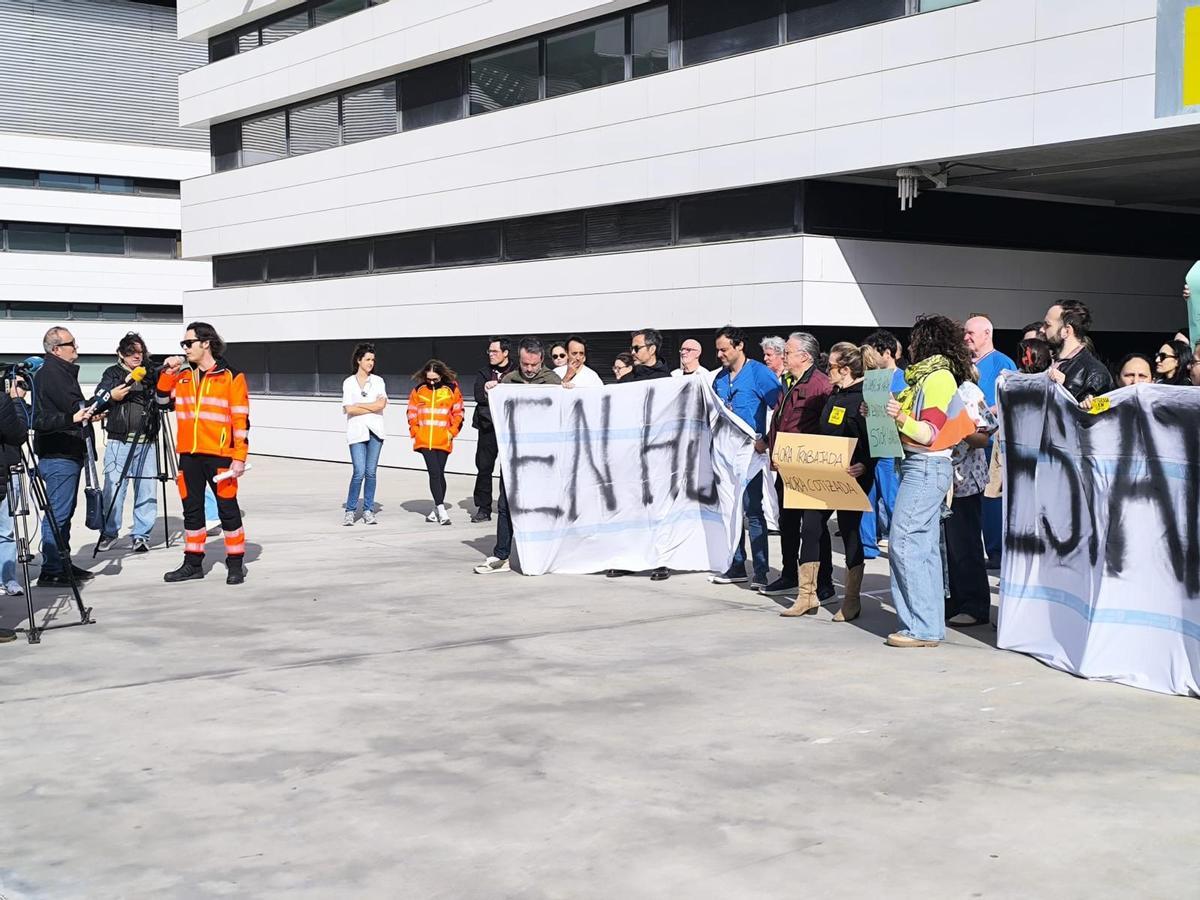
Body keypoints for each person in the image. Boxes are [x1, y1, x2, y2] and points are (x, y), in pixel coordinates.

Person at [882, 314, 974, 648]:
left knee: (904, 543)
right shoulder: (930, 377)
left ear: (924, 341)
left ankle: (920, 628)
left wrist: (899, 416)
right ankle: (929, 625)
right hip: (924, 468)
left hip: (924, 467)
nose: (908, 346)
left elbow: (929, 433)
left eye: (912, 340)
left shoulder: (935, 379)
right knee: (923, 548)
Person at [787, 342, 879, 622]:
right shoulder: (834, 395)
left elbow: (876, 440)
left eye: (831, 367)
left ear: (845, 369)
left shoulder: (866, 398)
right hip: (826, 475)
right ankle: (807, 595)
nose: (827, 371)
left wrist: (866, 464)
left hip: (854, 476)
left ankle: (851, 600)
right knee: (811, 526)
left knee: (850, 531)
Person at [156, 322, 250, 585]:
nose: (184, 349)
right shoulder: (183, 375)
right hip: (189, 454)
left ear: (205, 343)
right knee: (192, 511)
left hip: (220, 454)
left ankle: (235, 563)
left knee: (228, 510)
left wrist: (239, 456)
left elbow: (241, 419)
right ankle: (192, 563)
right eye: (183, 345)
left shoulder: (231, 375)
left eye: (188, 343)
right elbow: (162, 402)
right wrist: (168, 372)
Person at [474, 338, 561, 574]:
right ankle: (501, 553)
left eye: (534, 365)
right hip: (513, 456)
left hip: (544, 458)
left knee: (543, 505)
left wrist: (568, 392)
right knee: (505, 503)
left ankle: (546, 552)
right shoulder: (509, 381)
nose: (530, 369)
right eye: (525, 364)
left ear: (541, 360)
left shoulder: (553, 382)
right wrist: (493, 390)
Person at [759, 332, 831, 601]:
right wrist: (770, 444)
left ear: (805, 356)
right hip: (785, 467)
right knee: (787, 523)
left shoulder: (819, 385)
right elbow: (781, 420)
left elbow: (826, 428)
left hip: (808, 468)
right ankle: (790, 573)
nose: (783, 356)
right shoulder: (788, 382)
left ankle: (823, 582)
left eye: (788, 352)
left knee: (813, 527)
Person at [710, 325, 782, 589]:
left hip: (750, 453)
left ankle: (761, 570)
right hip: (724, 454)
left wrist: (766, 441)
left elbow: (781, 408)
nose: (719, 354)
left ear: (739, 346)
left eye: (724, 349)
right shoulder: (718, 379)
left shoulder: (759, 374)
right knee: (730, 510)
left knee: (753, 511)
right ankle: (736, 563)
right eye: (717, 349)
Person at [32, 327, 96, 588]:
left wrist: (89, 413)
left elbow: (73, 410)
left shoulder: (61, 372)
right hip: (58, 454)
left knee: (64, 513)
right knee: (57, 513)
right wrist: (74, 417)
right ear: (56, 349)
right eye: (71, 343)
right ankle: (52, 568)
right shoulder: (51, 374)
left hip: (69, 450)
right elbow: (42, 418)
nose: (76, 347)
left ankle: (62, 562)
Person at [94, 332, 157, 553]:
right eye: (131, 352)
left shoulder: (149, 374)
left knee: (147, 489)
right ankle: (109, 532)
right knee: (114, 488)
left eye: (140, 352)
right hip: (119, 441)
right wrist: (114, 394)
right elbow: (100, 396)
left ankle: (141, 534)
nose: (137, 357)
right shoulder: (112, 373)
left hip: (147, 441)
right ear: (121, 354)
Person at [944, 371, 998, 627]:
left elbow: (984, 435)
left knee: (965, 544)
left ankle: (974, 606)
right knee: (947, 547)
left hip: (964, 482)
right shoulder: (929, 387)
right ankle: (952, 600)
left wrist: (960, 429)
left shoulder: (968, 391)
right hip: (940, 480)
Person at [963, 314, 1015, 570]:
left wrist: (983, 412)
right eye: (965, 333)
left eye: (971, 333)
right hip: (965, 441)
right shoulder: (963, 364)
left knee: (990, 497)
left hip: (992, 442)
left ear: (987, 334)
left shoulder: (1003, 363)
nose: (966, 337)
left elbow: (1011, 400)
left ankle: (996, 551)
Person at [859, 328, 907, 560]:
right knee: (867, 496)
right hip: (871, 443)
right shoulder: (870, 379)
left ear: (887, 353)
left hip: (891, 446)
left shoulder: (904, 379)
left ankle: (899, 543)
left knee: (891, 498)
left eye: (873, 352)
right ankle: (867, 545)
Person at [408, 359, 464, 525]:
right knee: (433, 472)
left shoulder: (451, 389)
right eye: (429, 378)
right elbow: (411, 413)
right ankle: (441, 509)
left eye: (435, 379)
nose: (431, 382)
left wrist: (451, 433)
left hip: (443, 439)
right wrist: (416, 432)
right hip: (425, 440)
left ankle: (434, 510)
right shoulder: (419, 390)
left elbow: (459, 413)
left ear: (441, 376)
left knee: (440, 473)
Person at [342, 342, 387, 526]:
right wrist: (370, 406)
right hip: (357, 432)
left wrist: (360, 405)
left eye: (373, 360)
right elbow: (348, 409)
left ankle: (368, 510)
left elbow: (381, 405)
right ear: (359, 360)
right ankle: (350, 511)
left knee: (371, 473)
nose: (371, 363)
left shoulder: (378, 381)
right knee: (358, 472)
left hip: (375, 431)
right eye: (367, 359)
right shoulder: (349, 382)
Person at [471, 337, 512, 523]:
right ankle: (483, 507)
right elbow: (479, 396)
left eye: (495, 351)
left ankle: (509, 505)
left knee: (509, 469)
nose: (491, 355)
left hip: (509, 429)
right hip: (487, 427)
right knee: (484, 467)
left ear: (505, 353)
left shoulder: (516, 372)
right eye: (489, 351)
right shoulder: (484, 372)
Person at [1041, 300, 1113, 402]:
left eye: (1047, 325)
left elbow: (1098, 414)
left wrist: (1064, 389)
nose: (1042, 330)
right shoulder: (1045, 363)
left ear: (1066, 331)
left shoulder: (1095, 373)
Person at [0, 378, 30, 603]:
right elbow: (19, 433)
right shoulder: (5, 401)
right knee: (5, 529)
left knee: (5, 530)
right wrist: (15, 402)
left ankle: (8, 579)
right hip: (6, 470)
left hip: (8, 467)